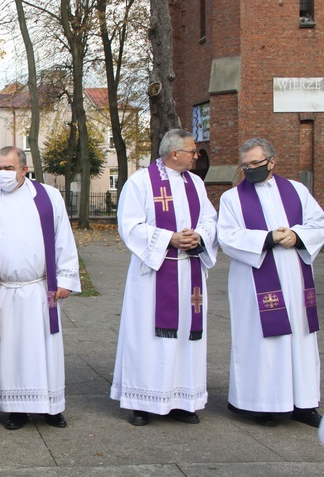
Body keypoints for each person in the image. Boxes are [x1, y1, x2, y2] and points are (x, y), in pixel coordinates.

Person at [110, 129, 218, 426]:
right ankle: (142, 402)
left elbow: (210, 219)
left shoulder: (196, 183)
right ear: (174, 154)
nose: (196, 155)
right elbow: (129, 226)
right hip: (153, 275)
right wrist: (170, 238)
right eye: (192, 150)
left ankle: (184, 401)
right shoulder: (141, 182)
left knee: (186, 336)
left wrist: (200, 235)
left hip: (190, 272)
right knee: (148, 338)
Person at [0, 146, 81, 430]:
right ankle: (14, 409)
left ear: (24, 169)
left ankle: (51, 407)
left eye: (8, 168)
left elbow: (63, 237)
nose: (2, 174)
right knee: (9, 351)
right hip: (2, 291)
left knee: (44, 348)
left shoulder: (47, 196)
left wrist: (66, 278)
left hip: (39, 290)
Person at [218, 137, 324, 428]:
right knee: (263, 342)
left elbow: (319, 223)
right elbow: (228, 237)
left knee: (300, 339)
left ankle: (304, 404)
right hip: (255, 282)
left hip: (295, 278)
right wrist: (270, 237)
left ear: (272, 162)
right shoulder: (232, 198)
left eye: (256, 163)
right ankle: (264, 404)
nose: (250, 169)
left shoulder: (297, 191)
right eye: (245, 165)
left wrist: (296, 235)